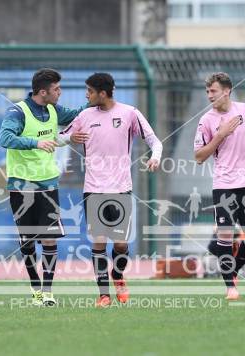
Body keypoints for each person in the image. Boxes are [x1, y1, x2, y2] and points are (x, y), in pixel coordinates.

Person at [59, 72, 163, 307]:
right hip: (94, 189)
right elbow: (59, 138)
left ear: (102, 93)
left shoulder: (129, 113)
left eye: (90, 91)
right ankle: (103, 294)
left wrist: (155, 157)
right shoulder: (84, 116)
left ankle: (118, 275)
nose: (86, 95)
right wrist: (70, 138)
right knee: (97, 242)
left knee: (120, 245)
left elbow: (155, 141)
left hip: (120, 188)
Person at [0, 68, 87, 307]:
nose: (60, 93)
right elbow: (5, 138)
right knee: (27, 241)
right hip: (22, 186)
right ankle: (35, 286)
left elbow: (75, 115)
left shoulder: (53, 109)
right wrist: (36, 143)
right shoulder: (17, 111)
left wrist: (96, 100)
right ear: (42, 91)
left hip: (48, 185)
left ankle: (47, 292)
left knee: (49, 240)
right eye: (56, 89)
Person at [194, 72, 245, 300]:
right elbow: (199, 156)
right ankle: (230, 286)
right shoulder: (206, 121)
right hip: (224, 186)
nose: (209, 96)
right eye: (207, 91)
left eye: (213, 91)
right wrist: (219, 135)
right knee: (225, 236)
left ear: (227, 91)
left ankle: (233, 271)